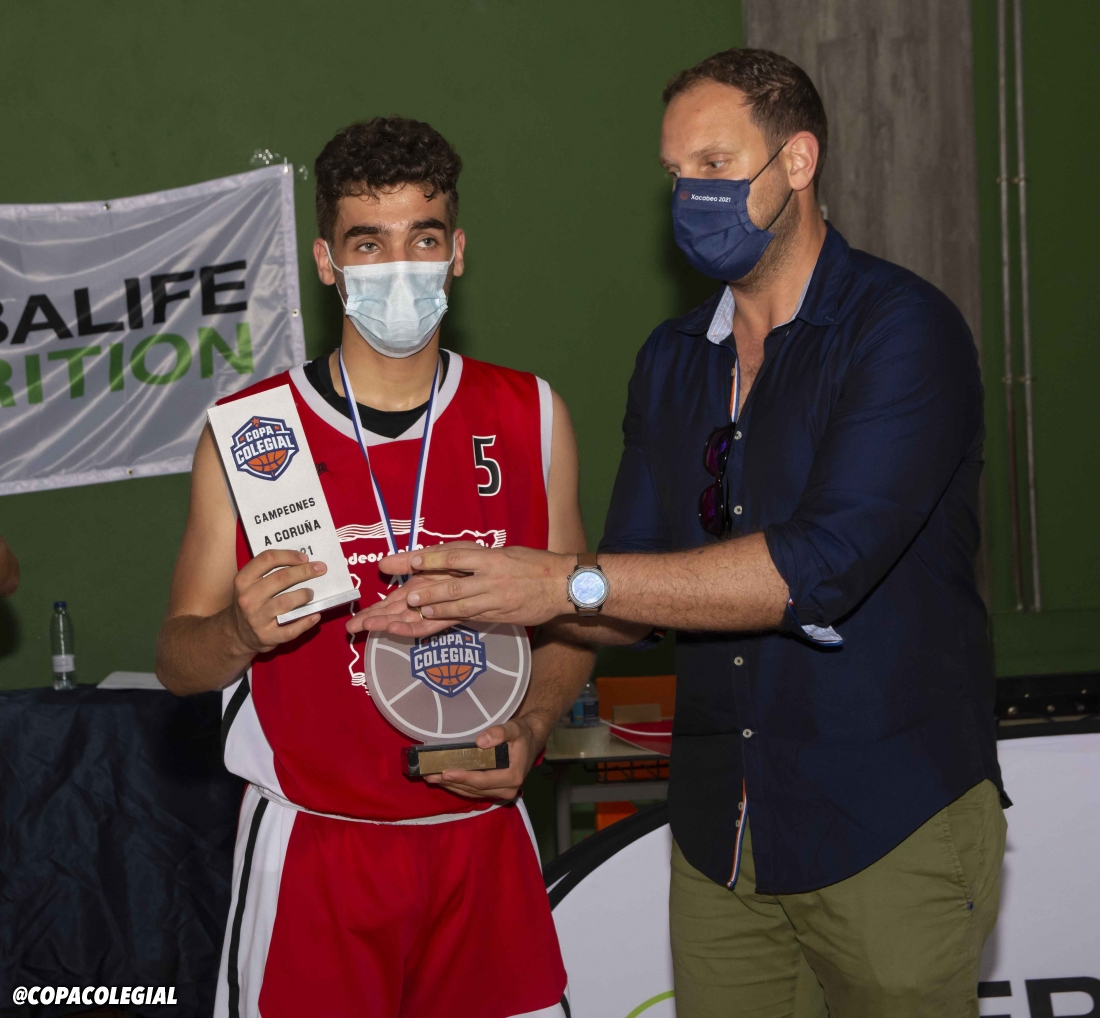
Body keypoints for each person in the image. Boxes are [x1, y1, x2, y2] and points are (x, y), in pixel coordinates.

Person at [354, 50, 1007, 1018]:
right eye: (674, 173)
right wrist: (492, 625)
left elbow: (817, 569)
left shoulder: (901, 330)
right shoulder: (671, 360)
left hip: (888, 822)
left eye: (713, 166)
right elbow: (628, 594)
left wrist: (560, 582)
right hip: (720, 837)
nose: (690, 196)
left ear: (796, 160)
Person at [156, 116, 591, 1018]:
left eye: (422, 240)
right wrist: (237, 631)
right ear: (327, 262)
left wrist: (536, 722)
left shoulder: (531, 414)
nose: (400, 267)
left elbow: (574, 619)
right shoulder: (252, 430)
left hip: (482, 841)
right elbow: (177, 661)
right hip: (319, 851)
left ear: (457, 252)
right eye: (368, 243)